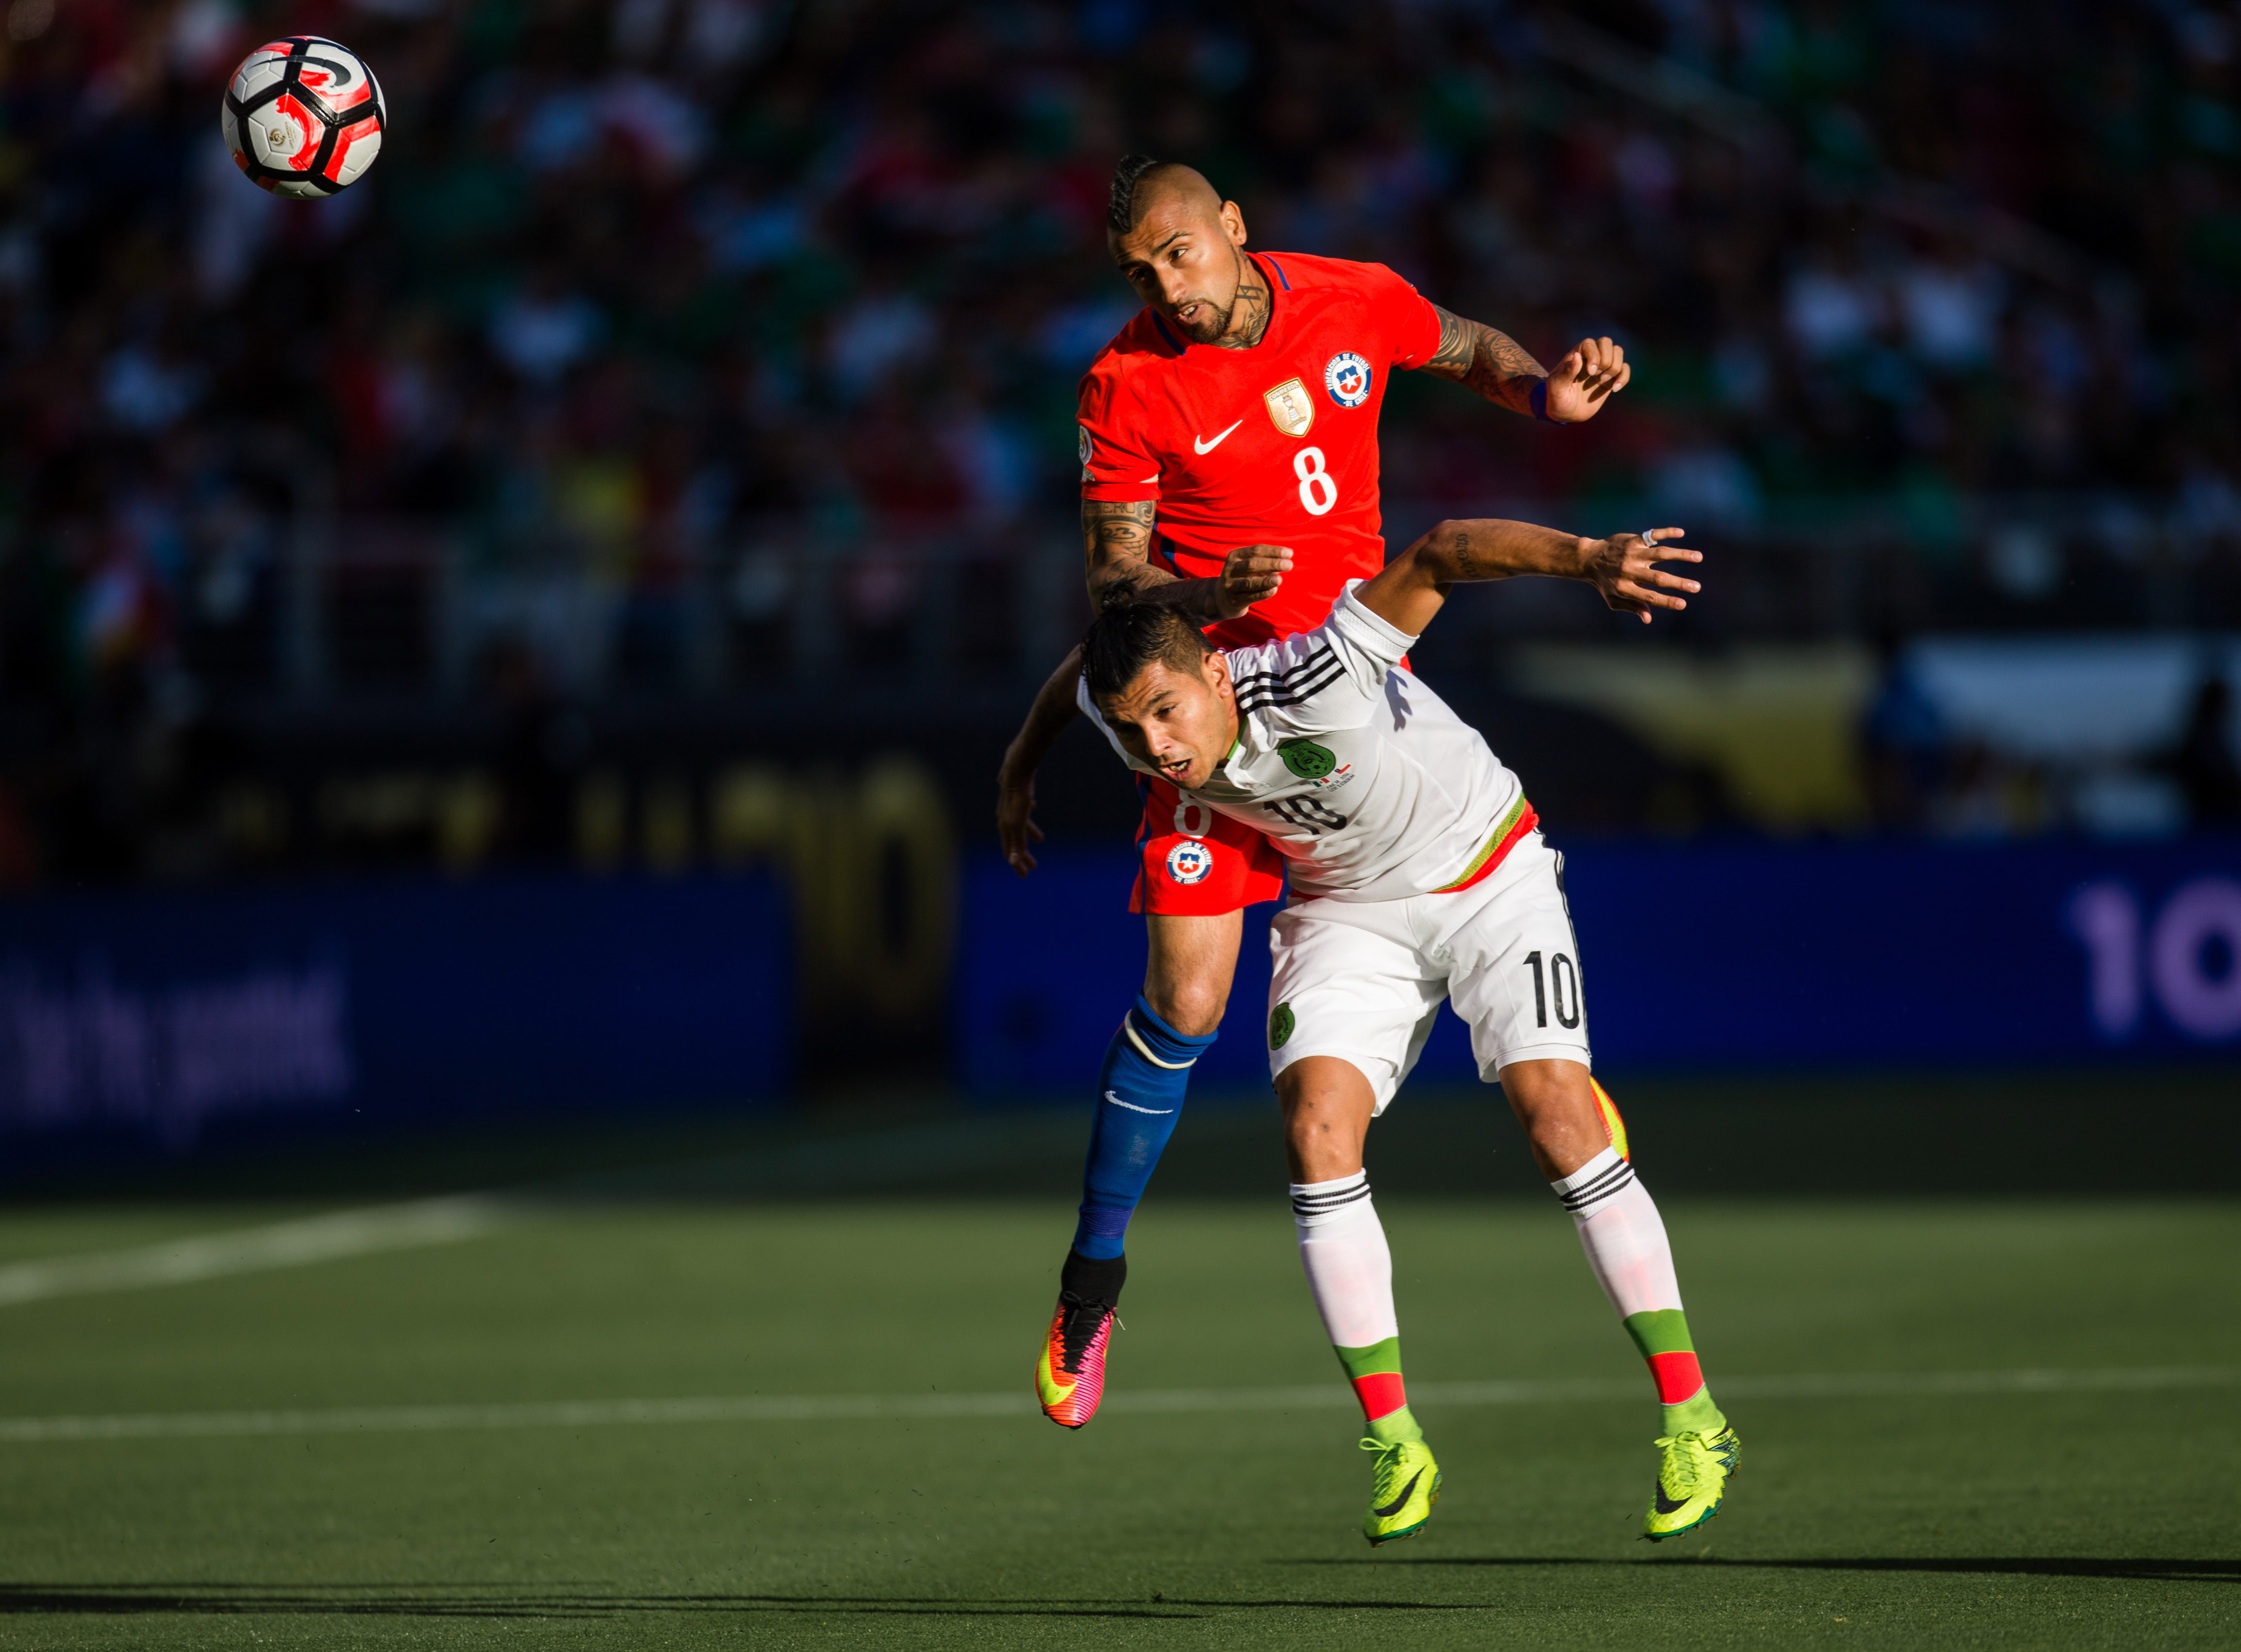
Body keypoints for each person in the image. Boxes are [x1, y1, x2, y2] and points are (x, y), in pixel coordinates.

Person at [996, 154, 1635, 1435]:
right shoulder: (1120, 384)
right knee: (1186, 996)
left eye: (1180, 253)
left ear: (1233, 226)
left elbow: (1459, 346)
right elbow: (1115, 593)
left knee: (1446, 876)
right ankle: (1091, 1280)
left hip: (1341, 689)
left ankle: (1564, 1109)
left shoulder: (1348, 297)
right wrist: (1206, 599)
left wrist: (1542, 392)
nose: (1166, 287)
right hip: (1207, 707)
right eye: (1139, 271)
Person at [1070, 515, 1732, 1546]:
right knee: (1312, 1133)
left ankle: (1692, 1416)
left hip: (1486, 875)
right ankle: (1392, 1438)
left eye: (1165, 712)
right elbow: (1073, 680)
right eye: (1129, 730)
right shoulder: (1132, 712)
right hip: (1346, 913)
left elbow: (1441, 551)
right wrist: (1021, 769)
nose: (1156, 747)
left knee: (1557, 1121)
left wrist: (1590, 563)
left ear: (1216, 673)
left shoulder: (1317, 673)